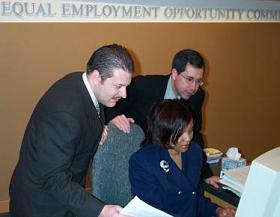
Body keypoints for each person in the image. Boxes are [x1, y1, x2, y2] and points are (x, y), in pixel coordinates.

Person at [9, 44, 134, 217]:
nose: (124, 94)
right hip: (42, 204)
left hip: (64, 195)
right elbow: (53, 179)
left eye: (126, 86)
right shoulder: (65, 113)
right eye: (118, 86)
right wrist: (102, 210)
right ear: (97, 76)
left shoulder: (81, 83)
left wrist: (98, 128)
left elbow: (84, 118)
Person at [105, 48, 220, 187]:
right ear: (174, 73)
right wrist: (113, 117)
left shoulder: (197, 96)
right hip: (137, 158)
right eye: (189, 79)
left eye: (198, 81)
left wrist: (205, 174)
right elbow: (107, 98)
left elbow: (194, 134)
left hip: (169, 164)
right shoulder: (144, 87)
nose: (193, 87)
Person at [129, 99, 236, 217]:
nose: (187, 138)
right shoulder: (143, 162)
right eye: (179, 133)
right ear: (163, 131)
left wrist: (218, 211)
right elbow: (151, 212)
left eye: (190, 131)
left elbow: (193, 198)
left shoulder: (194, 152)